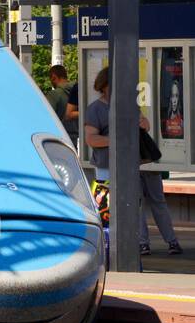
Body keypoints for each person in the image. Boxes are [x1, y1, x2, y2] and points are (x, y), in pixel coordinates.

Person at [83, 66, 182, 256]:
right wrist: (117, 140)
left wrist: (143, 123)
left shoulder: (128, 104)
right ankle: (132, 243)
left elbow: (145, 123)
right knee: (114, 207)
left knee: (139, 201)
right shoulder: (95, 110)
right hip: (107, 166)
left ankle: (159, 241)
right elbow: (91, 139)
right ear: (104, 86)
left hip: (133, 163)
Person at [49, 64, 80, 153]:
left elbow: (47, 118)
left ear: (54, 77)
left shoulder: (54, 95)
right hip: (74, 140)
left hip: (57, 141)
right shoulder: (79, 91)